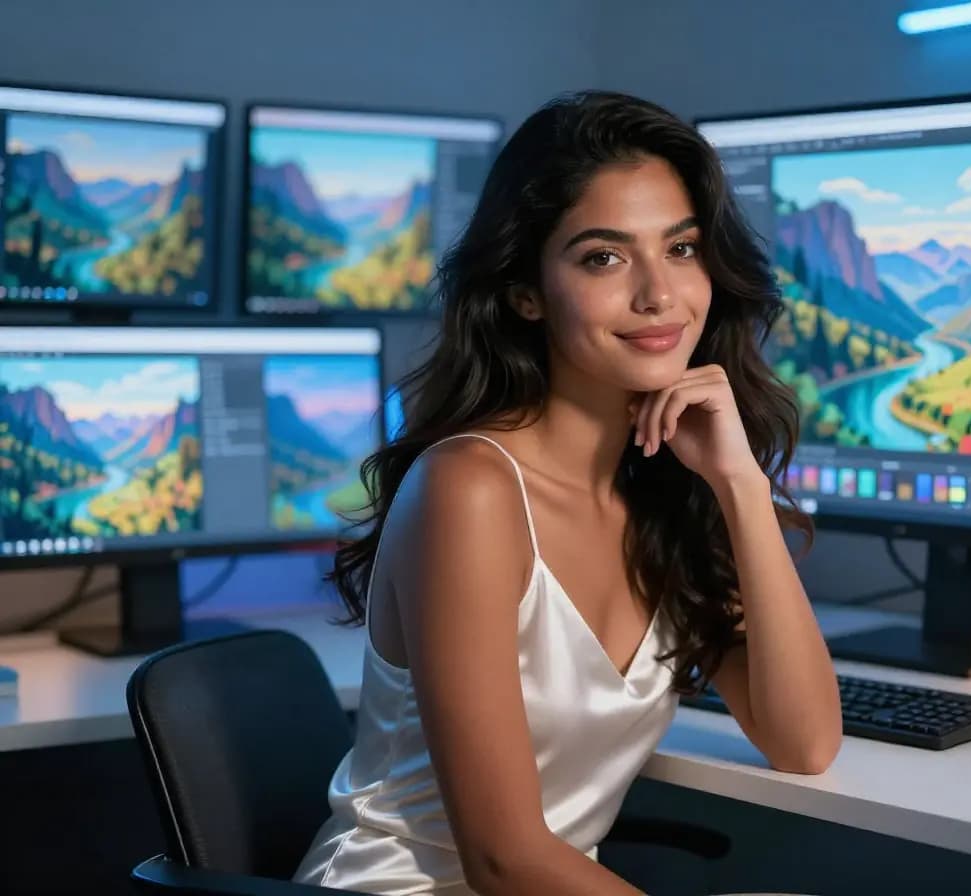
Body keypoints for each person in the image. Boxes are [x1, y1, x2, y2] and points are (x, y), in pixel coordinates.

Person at [294, 90, 842, 896]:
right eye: (603, 257)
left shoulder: (664, 494)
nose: (660, 294)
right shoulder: (468, 489)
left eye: (682, 248)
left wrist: (740, 487)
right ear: (525, 291)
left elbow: (804, 742)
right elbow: (503, 857)